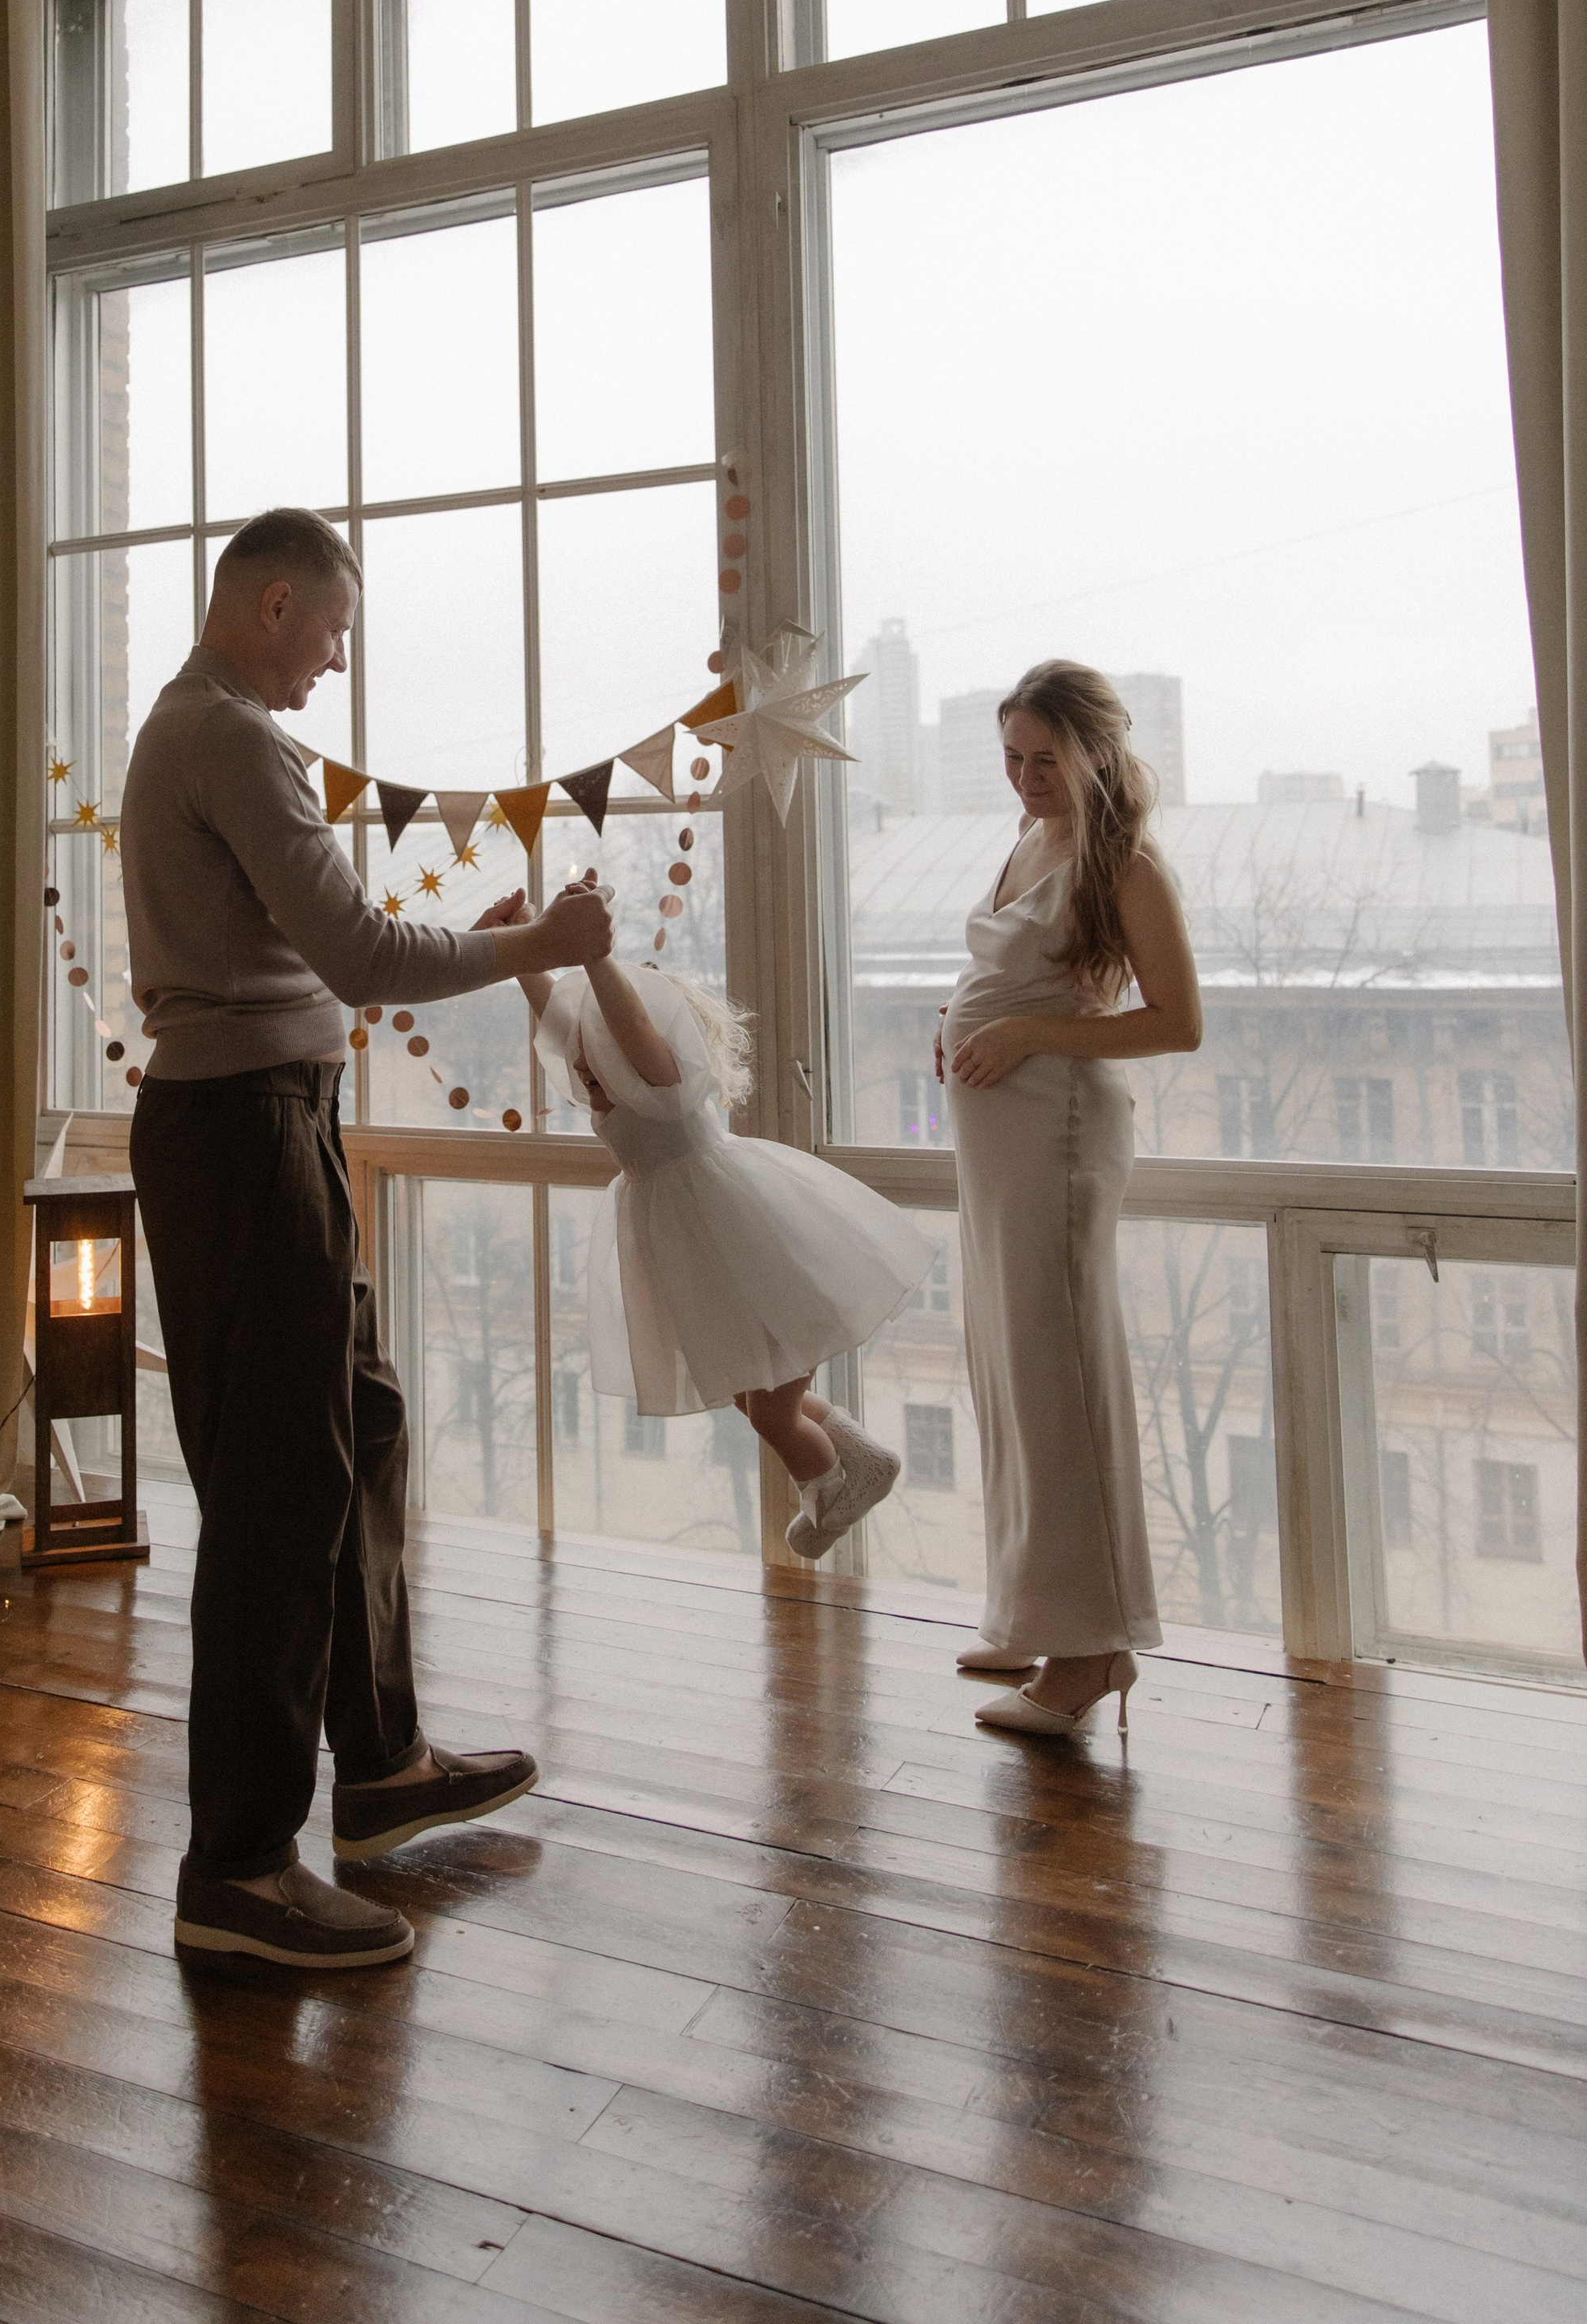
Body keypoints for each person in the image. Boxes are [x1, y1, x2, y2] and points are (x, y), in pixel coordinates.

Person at [119, 508, 614, 1968]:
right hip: (245, 1132)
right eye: (332, 630)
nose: (336, 664)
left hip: (271, 1126)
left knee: (364, 1426)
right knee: (280, 1491)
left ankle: (382, 1764)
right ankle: (240, 1872)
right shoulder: (232, 736)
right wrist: (541, 943)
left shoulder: (201, 729)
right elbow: (363, 955)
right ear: (273, 604)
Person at [936, 659, 1201, 1738]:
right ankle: (1033, 1607)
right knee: (1004, 1365)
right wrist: (959, 1022)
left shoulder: (1126, 863)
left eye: (1046, 758)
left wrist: (1022, 1033)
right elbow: (1017, 974)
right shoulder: (1027, 841)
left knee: (1055, 1372)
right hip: (999, 1134)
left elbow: (1177, 1023)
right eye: (1012, 758)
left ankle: (1092, 1651)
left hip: (1060, 1133)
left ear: (1096, 750)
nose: (1027, 777)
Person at [507, 905, 936, 1555]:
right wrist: (523, 951)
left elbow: (627, 1024)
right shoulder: (605, 1076)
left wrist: (595, 958)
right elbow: (563, 1019)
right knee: (745, 1386)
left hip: (752, 1238)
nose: (588, 1079)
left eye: (599, 1067)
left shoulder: (660, 1079)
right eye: (585, 1069)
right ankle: (861, 1458)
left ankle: (831, 1491)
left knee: (769, 1408)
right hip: (701, 1253)